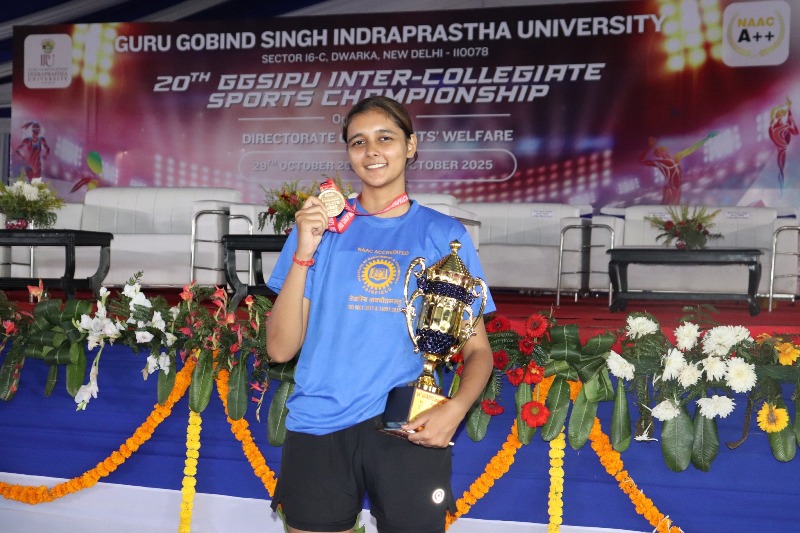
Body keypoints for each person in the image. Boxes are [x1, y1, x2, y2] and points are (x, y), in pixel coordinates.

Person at [265, 96, 495, 533]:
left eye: (384, 138)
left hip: (408, 424)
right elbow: (279, 349)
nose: (371, 151)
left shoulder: (444, 235)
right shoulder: (320, 230)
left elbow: (478, 350)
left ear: (410, 145)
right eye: (358, 142)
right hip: (319, 422)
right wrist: (305, 251)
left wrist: (456, 409)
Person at [640, 132, 715, 205]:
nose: (664, 153)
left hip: (676, 188)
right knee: (667, 207)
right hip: (670, 188)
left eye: (663, 151)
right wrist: (648, 147)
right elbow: (641, 161)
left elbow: (692, 148)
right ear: (659, 154)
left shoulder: (676, 157)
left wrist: (706, 139)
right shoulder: (661, 162)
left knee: (674, 208)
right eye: (659, 152)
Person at [769, 97, 798, 190]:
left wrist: (792, 121)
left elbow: (796, 132)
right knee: (781, 168)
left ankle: (782, 183)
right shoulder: (774, 127)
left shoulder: (782, 126)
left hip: (783, 149)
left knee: (782, 168)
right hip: (780, 149)